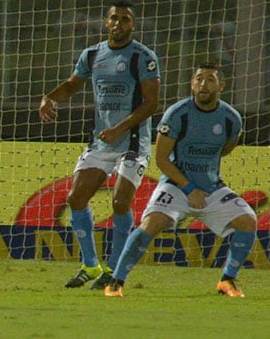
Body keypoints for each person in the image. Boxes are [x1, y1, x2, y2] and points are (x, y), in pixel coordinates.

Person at [105, 62, 256, 297]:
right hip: (176, 186)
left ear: (221, 86)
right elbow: (162, 159)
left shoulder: (231, 118)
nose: (203, 84)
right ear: (192, 84)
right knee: (152, 223)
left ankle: (227, 280)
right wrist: (190, 188)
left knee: (248, 221)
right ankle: (116, 281)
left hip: (212, 188)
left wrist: (203, 184)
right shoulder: (177, 114)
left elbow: (225, 149)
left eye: (210, 79)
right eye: (198, 79)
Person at [38, 0, 160, 290]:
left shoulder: (143, 57)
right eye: (114, 18)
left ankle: (115, 270)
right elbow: (71, 85)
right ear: (106, 22)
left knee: (120, 202)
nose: (119, 23)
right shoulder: (93, 54)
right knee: (76, 198)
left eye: (125, 19)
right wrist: (49, 98)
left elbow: (151, 103)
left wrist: (119, 127)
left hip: (132, 142)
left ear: (133, 25)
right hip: (101, 143)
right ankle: (90, 265)